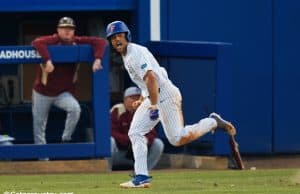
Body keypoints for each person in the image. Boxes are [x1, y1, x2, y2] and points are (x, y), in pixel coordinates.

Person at [106, 21, 236, 188]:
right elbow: (158, 74)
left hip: (166, 96)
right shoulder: (127, 56)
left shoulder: (135, 52)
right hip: (154, 95)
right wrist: (144, 97)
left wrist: (152, 104)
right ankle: (141, 176)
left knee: (176, 138)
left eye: (120, 35)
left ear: (127, 36)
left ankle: (212, 122)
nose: (117, 39)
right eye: (113, 37)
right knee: (136, 132)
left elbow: (152, 78)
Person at [31, 17, 106, 148]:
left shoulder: (76, 42)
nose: (67, 32)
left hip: (62, 93)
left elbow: (101, 42)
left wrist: (98, 59)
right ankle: (42, 159)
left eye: (70, 29)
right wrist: (47, 60)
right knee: (39, 125)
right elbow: (37, 42)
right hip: (42, 91)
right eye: (64, 29)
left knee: (75, 108)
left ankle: (66, 138)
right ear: (58, 30)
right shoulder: (53, 40)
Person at [110, 86, 164, 170]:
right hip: (119, 153)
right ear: (124, 100)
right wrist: (130, 139)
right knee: (110, 141)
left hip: (137, 155)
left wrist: (144, 140)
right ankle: (107, 171)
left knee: (158, 143)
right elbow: (111, 132)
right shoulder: (117, 110)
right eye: (132, 98)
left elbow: (152, 133)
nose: (136, 100)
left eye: (138, 98)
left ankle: (143, 172)